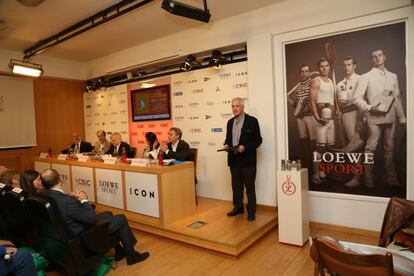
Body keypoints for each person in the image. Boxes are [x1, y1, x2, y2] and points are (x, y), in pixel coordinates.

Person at [40, 168, 149, 265]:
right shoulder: (67, 201)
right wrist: (84, 200)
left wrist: (70, 196)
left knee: (108, 214)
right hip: (84, 234)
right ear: (60, 179)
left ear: (43, 184)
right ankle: (132, 256)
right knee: (121, 218)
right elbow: (91, 218)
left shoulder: (44, 195)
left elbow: (62, 205)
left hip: (67, 230)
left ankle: (120, 251)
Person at [353, 49, 406, 188]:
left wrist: (403, 119)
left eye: (380, 55)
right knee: (370, 148)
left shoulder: (393, 76)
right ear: (372, 60)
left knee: (390, 148)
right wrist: (370, 107)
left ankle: (392, 180)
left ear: (385, 57)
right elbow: (356, 98)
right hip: (373, 117)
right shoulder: (366, 76)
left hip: (390, 117)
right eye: (374, 57)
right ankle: (368, 180)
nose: (377, 58)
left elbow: (397, 99)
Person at [224, 97, 262, 221]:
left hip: (248, 161)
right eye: (233, 106)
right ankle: (238, 208)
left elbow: (258, 140)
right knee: (236, 186)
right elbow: (228, 139)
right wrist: (226, 144)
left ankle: (251, 211)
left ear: (242, 106)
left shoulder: (252, 121)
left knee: (249, 187)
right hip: (234, 160)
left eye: (237, 106)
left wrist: (245, 147)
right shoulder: (230, 122)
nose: (235, 108)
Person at [310, 57, 337, 184]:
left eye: (326, 65)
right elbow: (312, 101)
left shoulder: (331, 81)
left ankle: (323, 170)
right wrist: (316, 116)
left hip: (331, 118)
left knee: (329, 146)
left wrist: (337, 110)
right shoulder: (316, 81)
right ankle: (315, 173)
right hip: (321, 119)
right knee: (320, 148)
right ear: (318, 68)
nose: (324, 68)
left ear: (329, 67)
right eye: (321, 66)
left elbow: (332, 99)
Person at [287, 64, 318, 169]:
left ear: (309, 72)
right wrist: (289, 101)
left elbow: (313, 101)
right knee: (303, 141)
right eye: (302, 71)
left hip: (311, 116)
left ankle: (316, 169)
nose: (304, 74)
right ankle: (306, 167)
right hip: (301, 118)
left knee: (314, 142)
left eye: (306, 71)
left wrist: (302, 112)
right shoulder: (298, 86)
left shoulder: (313, 83)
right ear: (300, 73)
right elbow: (298, 105)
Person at [336, 56, 363, 152]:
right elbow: (337, 103)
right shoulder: (339, 84)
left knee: (355, 143)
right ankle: (352, 166)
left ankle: (358, 167)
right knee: (347, 144)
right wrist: (338, 110)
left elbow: (364, 99)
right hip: (344, 114)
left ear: (354, 66)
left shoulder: (360, 79)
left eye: (349, 65)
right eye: (345, 65)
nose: (346, 67)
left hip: (357, 112)